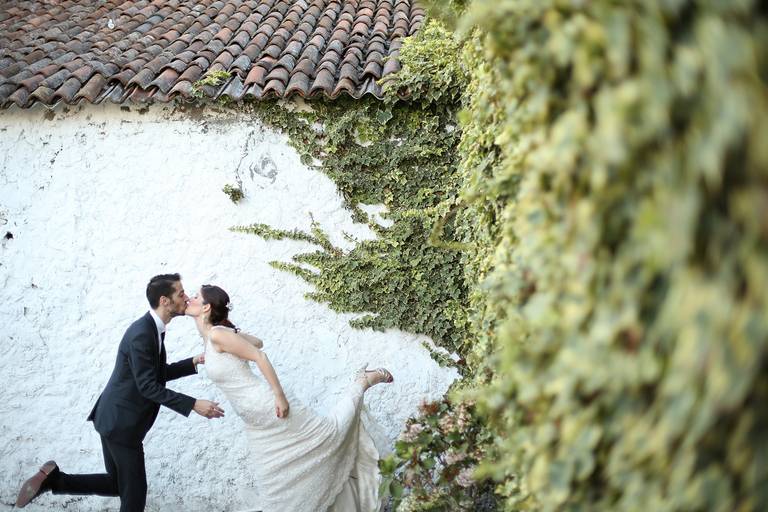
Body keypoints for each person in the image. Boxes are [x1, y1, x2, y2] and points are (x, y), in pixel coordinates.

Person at [15, 274, 225, 511]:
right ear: (165, 301)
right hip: (121, 425)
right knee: (134, 499)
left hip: (114, 418)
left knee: (117, 484)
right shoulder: (143, 333)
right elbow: (148, 386)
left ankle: (54, 480)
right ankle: (54, 481)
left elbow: (152, 375)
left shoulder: (153, 329)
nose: (186, 298)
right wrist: (193, 403)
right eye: (181, 293)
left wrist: (192, 362)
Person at [187, 284, 393, 511]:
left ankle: (361, 382)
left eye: (195, 296)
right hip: (254, 422)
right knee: (276, 482)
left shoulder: (217, 334)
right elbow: (257, 341)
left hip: (267, 406)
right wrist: (229, 332)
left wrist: (279, 396)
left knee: (328, 436)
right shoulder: (214, 335)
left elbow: (259, 354)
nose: (189, 298)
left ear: (206, 307)